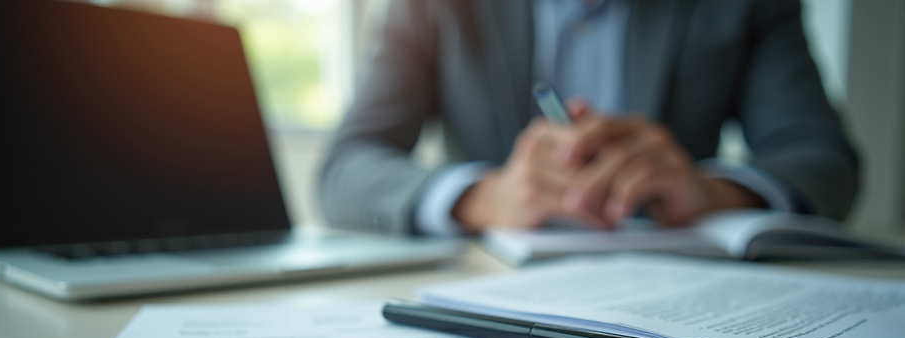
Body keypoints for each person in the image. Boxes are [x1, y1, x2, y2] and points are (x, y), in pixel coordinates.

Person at [318, 0, 858, 236]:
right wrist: (483, 197)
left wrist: (712, 193)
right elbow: (345, 167)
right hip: (485, 284)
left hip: (685, 293)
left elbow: (824, 159)